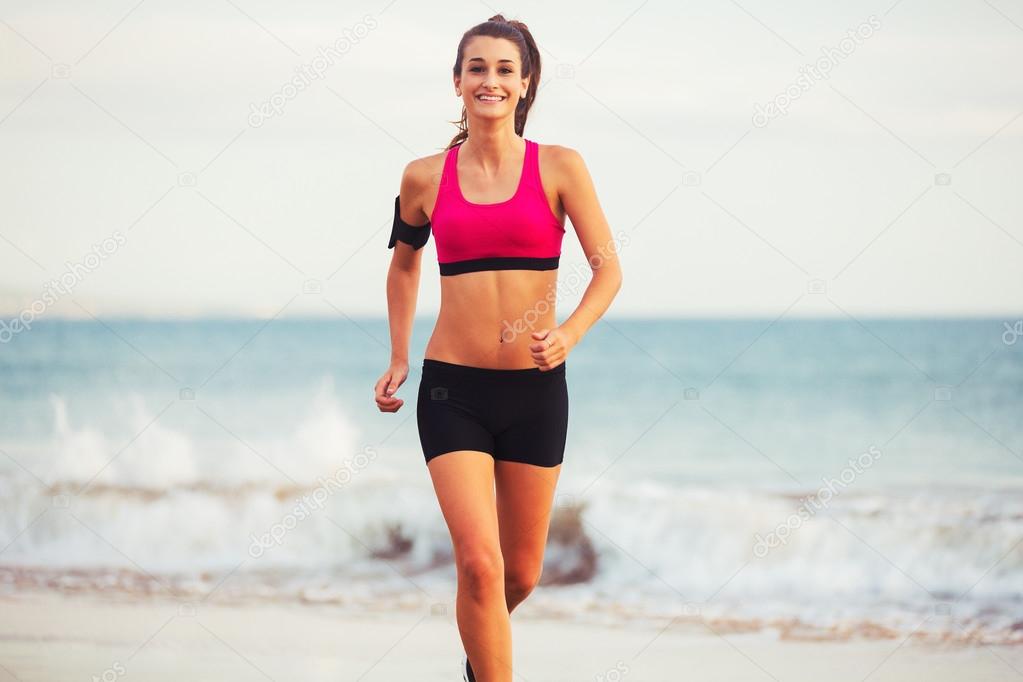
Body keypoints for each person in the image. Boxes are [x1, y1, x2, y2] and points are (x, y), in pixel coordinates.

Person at [374, 14, 622, 682]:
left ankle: (479, 659)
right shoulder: (424, 177)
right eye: (476, 68)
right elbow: (403, 267)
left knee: (520, 574)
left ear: (526, 82)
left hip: (535, 393)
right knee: (479, 567)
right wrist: (400, 356)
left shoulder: (560, 166)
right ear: (457, 82)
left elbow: (608, 270)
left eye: (504, 69)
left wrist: (567, 335)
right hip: (452, 389)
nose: (490, 80)